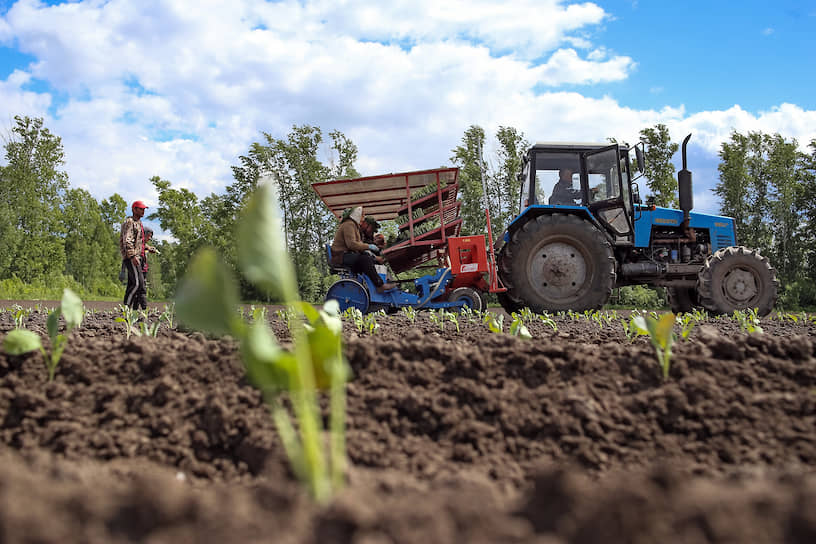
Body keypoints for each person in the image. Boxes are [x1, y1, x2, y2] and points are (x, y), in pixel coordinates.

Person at [331, 206, 396, 292]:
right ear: (356, 215)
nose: (362, 219)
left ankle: (374, 287)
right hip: (341, 256)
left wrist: (368, 252)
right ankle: (379, 285)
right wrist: (368, 247)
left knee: (367, 258)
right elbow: (352, 244)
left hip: (347, 255)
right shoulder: (348, 224)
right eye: (362, 216)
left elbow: (358, 245)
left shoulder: (353, 226)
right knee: (365, 259)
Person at [120, 201, 149, 310]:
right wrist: (132, 256)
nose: (143, 211)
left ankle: (132, 310)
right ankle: (127, 308)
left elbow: (139, 242)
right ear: (134, 209)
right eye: (141, 209)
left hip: (138, 257)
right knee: (138, 284)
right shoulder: (130, 222)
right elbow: (127, 240)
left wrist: (147, 248)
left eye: (144, 209)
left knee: (133, 284)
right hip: (132, 257)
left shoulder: (139, 223)